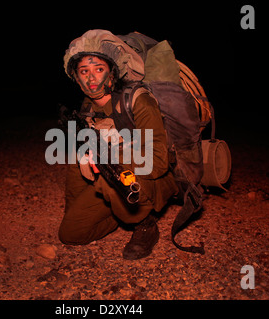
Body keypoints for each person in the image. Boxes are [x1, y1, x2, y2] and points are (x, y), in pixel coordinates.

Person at [58, 30, 179, 260]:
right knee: (70, 233)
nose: (91, 78)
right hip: (113, 178)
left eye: (99, 69)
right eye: (84, 71)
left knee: (109, 174)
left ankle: (145, 226)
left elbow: (159, 162)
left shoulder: (138, 101)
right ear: (77, 77)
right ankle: (117, 212)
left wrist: (114, 149)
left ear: (112, 74)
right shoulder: (88, 105)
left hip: (153, 179)